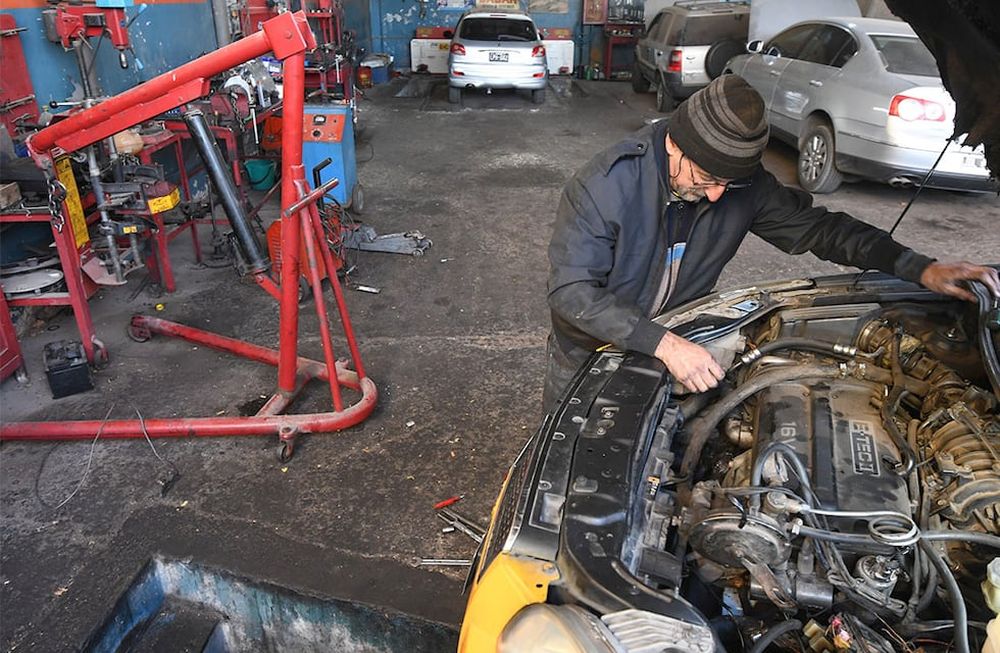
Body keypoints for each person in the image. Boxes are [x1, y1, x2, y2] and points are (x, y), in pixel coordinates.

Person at [543, 74, 1000, 411]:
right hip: (592, 351)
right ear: (674, 147)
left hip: (682, 338)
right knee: (565, 466)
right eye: (706, 178)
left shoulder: (743, 187)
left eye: (729, 181)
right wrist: (660, 343)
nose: (719, 194)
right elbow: (572, 293)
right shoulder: (606, 185)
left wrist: (917, 267)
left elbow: (824, 231)